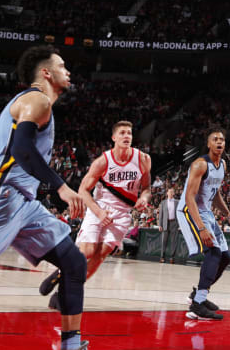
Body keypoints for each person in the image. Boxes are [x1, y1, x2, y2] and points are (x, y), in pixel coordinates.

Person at [0, 45, 104, 350]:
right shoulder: (37, 99)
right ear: (46, 73)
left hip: (22, 201)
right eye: (62, 65)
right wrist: (60, 187)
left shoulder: (42, 105)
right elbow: (20, 148)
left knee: (73, 263)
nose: (67, 70)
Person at [40, 121, 151, 310]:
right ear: (114, 138)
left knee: (100, 256)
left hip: (122, 214)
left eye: (129, 133)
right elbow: (83, 190)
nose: (127, 136)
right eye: (122, 133)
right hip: (98, 207)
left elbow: (147, 188)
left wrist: (144, 198)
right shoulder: (103, 161)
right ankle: (60, 272)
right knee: (87, 252)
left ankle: (63, 293)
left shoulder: (143, 159)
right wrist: (99, 212)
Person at [178, 129, 230, 320]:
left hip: (206, 211)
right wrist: (201, 227)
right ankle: (198, 304)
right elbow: (190, 197)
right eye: (215, 139)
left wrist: (229, 216)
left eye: (222, 139)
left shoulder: (222, 165)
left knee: (225, 257)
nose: (219, 142)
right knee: (213, 252)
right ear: (208, 144)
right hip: (189, 210)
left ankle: (198, 295)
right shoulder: (199, 165)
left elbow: (216, 195)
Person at [159, 188, 180, 263]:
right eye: (169, 192)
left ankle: (172, 258)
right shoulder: (163, 202)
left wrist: (179, 224)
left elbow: (180, 214)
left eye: (172, 192)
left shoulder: (177, 202)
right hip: (165, 223)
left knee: (174, 241)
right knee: (164, 241)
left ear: (174, 193)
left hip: (174, 223)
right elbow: (161, 214)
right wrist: (160, 225)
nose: (171, 193)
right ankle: (162, 257)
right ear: (167, 193)